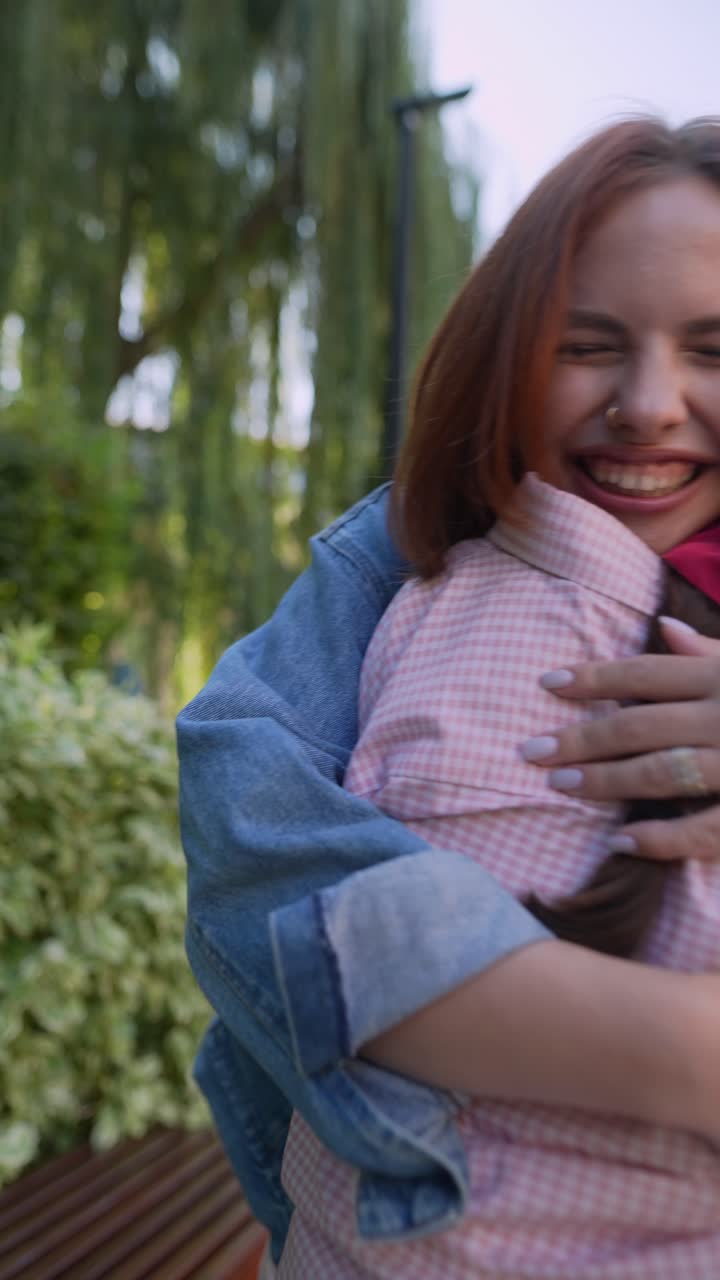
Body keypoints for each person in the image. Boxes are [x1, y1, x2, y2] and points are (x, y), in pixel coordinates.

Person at [177, 117, 720, 1277]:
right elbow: (250, 821)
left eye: (716, 348)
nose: (652, 403)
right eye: (587, 344)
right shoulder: (414, 556)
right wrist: (685, 1052)